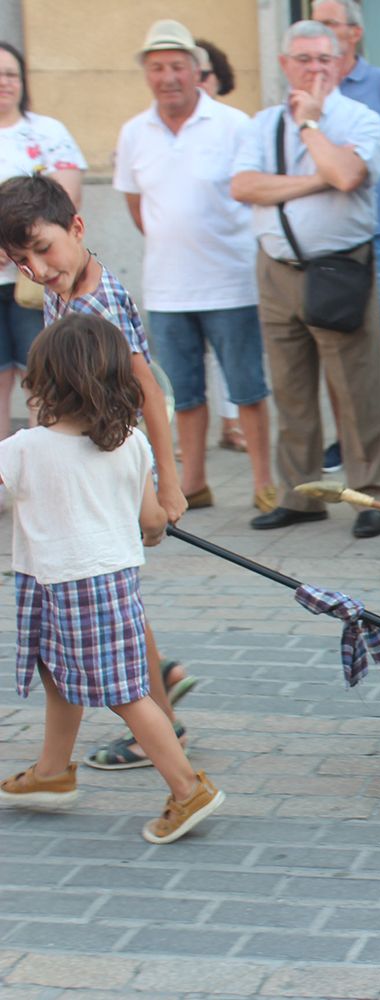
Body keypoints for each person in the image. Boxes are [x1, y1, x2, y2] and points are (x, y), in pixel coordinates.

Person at [0, 314, 225, 844]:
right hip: (107, 578)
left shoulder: (25, 448)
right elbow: (151, 522)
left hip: (67, 582)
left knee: (123, 693)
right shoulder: (131, 444)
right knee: (60, 673)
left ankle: (187, 787)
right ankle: (52, 773)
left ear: (44, 382)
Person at [0, 173, 199, 770]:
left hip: (108, 463)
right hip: (85, 457)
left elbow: (148, 395)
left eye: (43, 249)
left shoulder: (99, 301)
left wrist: (168, 484)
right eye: (20, 260)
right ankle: (159, 692)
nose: (36, 267)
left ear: (77, 228)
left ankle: (155, 722)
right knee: (118, 599)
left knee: (107, 594)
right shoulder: (67, 284)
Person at [231, 20, 380, 540]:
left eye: (325, 59)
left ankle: (372, 496)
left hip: (338, 269)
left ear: (342, 61)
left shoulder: (361, 118)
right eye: (304, 59)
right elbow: (244, 186)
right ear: (285, 64)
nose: (315, 68)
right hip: (276, 269)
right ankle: (301, 497)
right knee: (291, 390)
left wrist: (310, 126)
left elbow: (347, 175)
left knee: (356, 389)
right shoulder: (259, 123)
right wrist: (314, 179)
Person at [115, 20, 274, 515]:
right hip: (167, 288)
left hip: (231, 283)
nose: (168, 77)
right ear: (147, 74)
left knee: (248, 390)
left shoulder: (233, 124)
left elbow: (255, 193)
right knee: (182, 395)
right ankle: (194, 483)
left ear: (196, 70)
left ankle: (264, 484)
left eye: (178, 67)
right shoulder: (133, 132)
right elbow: (137, 207)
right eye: (158, 67)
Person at [312, 0, 380, 479]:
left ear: (354, 34)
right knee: (336, 338)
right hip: (328, 238)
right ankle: (347, 436)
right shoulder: (306, 88)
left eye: (331, 23)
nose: (323, 32)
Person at [0, 41, 84, 443]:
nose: (4, 82)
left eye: (11, 74)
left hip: (36, 279)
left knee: (42, 376)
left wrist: (12, 245)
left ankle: (39, 472)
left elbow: (64, 198)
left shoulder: (47, 132)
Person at [196, 37, 248, 455]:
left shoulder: (234, 123)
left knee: (235, 358)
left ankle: (235, 423)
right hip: (188, 265)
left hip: (232, 258)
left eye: (204, 74)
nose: (196, 82)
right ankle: (220, 425)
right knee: (204, 361)